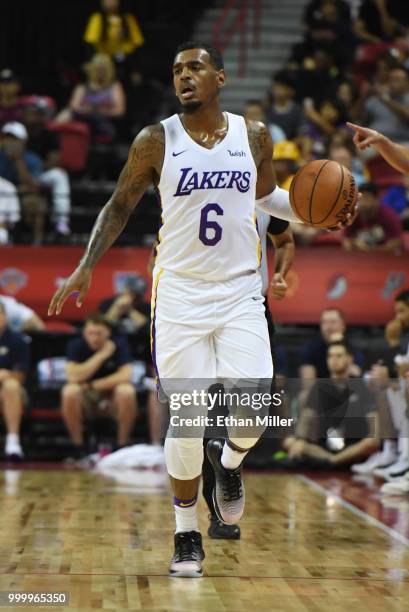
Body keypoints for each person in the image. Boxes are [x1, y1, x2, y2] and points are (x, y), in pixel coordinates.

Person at [48, 41, 353, 578]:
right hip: (181, 295)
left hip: (239, 291)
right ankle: (187, 532)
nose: (184, 76)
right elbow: (119, 204)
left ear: (221, 77)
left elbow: (267, 199)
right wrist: (86, 263)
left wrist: (312, 215)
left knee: (258, 409)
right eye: (176, 70)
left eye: (195, 68)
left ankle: (229, 463)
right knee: (186, 423)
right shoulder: (154, 141)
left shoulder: (253, 135)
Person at [203, 211, 295, 539]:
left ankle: (228, 460)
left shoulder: (265, 195)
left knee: (253, 407)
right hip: (202, 307)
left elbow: (284, 240)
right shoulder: (196, 184)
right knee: (210, 412)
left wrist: (281, 274)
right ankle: (216, 513)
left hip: (252, 308)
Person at [284, 340, 379, 467]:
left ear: (350, 359)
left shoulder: (361, 387)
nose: (334, 360)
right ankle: (331, 460)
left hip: (354, 450)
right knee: (290, 442)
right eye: (330, 356)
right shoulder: (319, 386)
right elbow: (306, 419)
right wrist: (300, 440)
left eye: (339, 356)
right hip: (323, 450)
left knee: (371, 442)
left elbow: (374, 436)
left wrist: (335, 459)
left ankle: (334, 461)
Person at [61, 313, 136, 459]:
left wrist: (93, 385)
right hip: (86, 399)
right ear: (84, 332)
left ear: (108, 332)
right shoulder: (76, 345)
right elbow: (73, 376)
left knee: (126, 390)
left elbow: (126, 375)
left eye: (99, 333)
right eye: (90, 333)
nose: (94, 337)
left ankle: (122, 446)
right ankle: (78, 448)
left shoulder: (119, 344)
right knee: (70, 391)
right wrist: (101, 355)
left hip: (111, 395)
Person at [23, 100, 71, 236]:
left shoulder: (49, 135)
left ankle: (61, 219)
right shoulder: (16, 133)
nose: (31, 117)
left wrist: (34, 173)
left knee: (59, 175)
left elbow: (54, 161)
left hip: (39, 175)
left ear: (40, 117)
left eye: (34, 114)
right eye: (28, 114)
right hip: (15, 175)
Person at [57, 54, 125, 144]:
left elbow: (119, 111)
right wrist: (87, 110)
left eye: (103, 69)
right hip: (83, 119)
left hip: (103, 122)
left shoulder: (114, 87)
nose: (100, 72)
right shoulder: (82, 88)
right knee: (66, 114)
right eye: (98, 69)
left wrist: (97, 110)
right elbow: (74, 107)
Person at [83, 0, 144, 80]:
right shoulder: (97, 18)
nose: (110, 2)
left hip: (126, 62)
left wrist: (137, 70)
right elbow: (89, 42)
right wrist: (90, 62)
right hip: (104, 62)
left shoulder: (128, 18)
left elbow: (138, 43)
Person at [0, 301, 30, 460]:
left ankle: (13, 443)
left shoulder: (17, 340)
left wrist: (7, 375)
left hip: (11, 393)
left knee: (11, 386)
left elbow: (21, 375)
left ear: (4, 317)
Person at [299, 307, 364, 380]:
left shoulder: (353, 350)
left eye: (333, 322)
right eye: (325, 322)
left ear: (343, 326)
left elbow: (357, 376)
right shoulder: (310, 349)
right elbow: (308, 383)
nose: (329, 327)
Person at [343, 182, 402, 253]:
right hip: (361, 259)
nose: (363, 203)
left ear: (377, 199)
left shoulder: (389, 216)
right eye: (360, 199)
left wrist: (369, 250)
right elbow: (346, 242)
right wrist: (355, 243)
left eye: (367, 198)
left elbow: (395, 244)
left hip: (387, 259)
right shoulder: (353, 215)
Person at [0, 176, 20, 244]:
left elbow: (14, 218)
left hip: (1, 227)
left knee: (1, 234)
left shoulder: (8, 187)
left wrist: (2, 224)